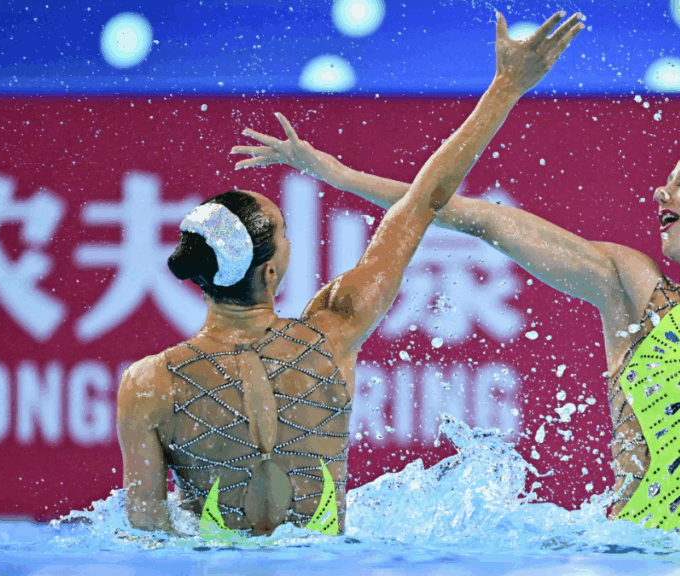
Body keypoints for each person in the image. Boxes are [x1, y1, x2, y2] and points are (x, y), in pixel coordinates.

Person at [232, 121, 680, 543]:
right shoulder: (633, 289)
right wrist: (337, 174)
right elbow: (484, 222)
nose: (662, 191)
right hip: (631, 557)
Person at [117, 10, 585, 537]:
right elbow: (422, 203)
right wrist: (505, 88)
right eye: (286, 230)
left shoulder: (148, 383)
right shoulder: (331, 334)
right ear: (271, 273)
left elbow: (146, 529)